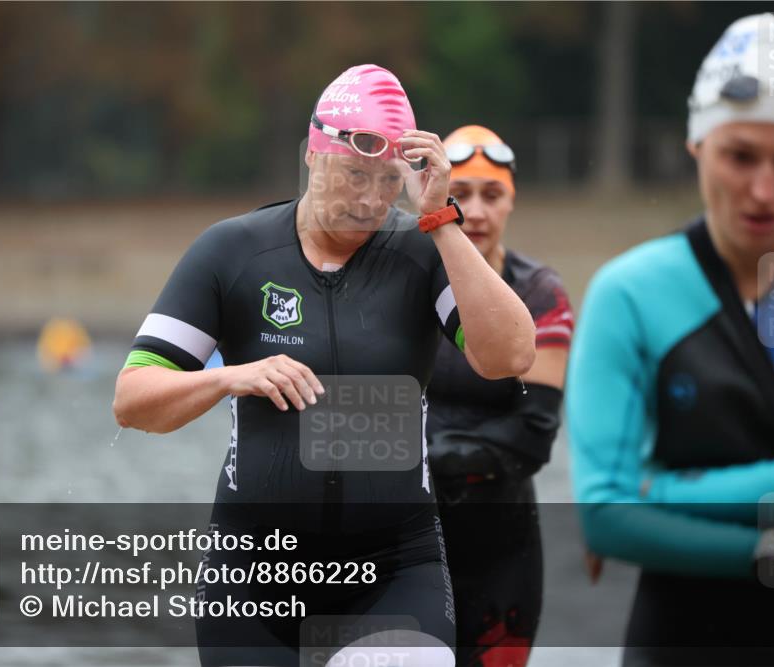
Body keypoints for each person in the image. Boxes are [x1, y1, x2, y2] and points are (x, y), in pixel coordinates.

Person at [113, 64, 536, 667]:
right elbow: (132, 401)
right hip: (254, 575)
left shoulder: (420, 252)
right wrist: (229, 377)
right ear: (313, 154)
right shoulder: (232, 252)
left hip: (394, 569)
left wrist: (441, 221)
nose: (370, 200)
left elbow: (510, 357)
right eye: (355, 174)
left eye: (387, 181)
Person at [568, 13, 774, 667]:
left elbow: (624, 505)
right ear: (696, 145)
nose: (765, 190)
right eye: (740, 156)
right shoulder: (631, 293)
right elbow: (604, 516)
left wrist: (661, 498)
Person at [425, 125, 572, 667]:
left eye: (493, 194)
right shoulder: (402, 282)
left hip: (498, 547)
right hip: (402, 541)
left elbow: (532, 435)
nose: (477, 212)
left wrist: (425, 456)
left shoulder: (540, 294)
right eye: (460, 194)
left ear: (512, 200)